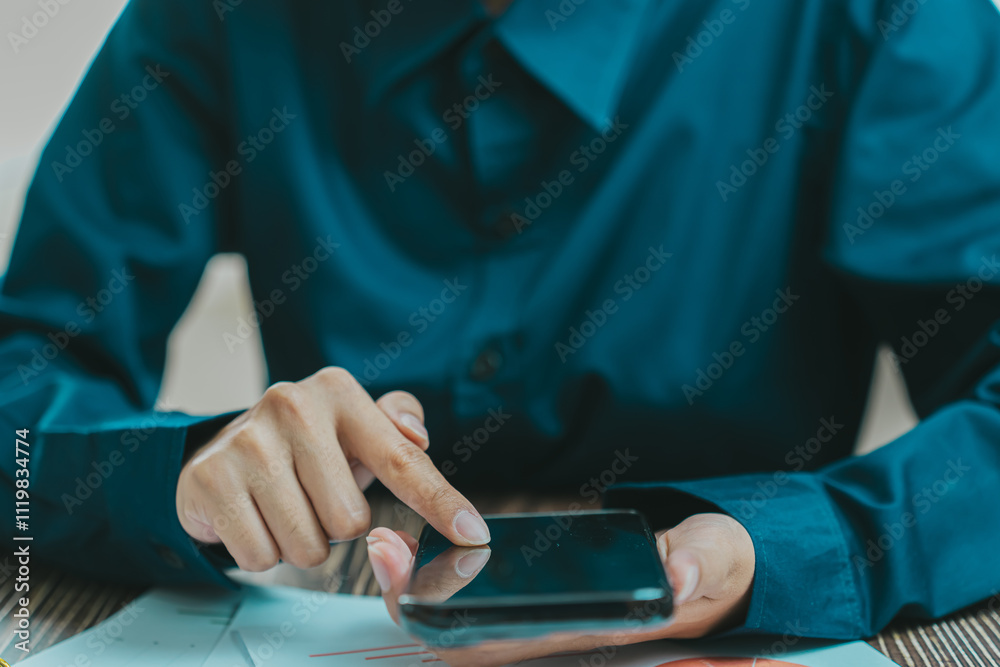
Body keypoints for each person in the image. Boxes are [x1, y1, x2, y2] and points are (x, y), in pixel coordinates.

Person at [1, 0, 999, 662]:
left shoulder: (878, 19)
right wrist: (177, 476)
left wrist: (785, 548)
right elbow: (21, 378)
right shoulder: (220, 18)